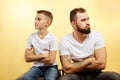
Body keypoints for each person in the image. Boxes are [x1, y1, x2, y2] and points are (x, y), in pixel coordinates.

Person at [58, 7, 110, 80]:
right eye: (83, 20)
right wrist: (88, 60)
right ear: (73, 24)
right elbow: (67, 69)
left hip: (96, 74)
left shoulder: (97, 36)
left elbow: (101, 64)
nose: (88, 22)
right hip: (76, 75)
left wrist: (74, 66)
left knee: (114, 77)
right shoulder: (65, 41)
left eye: (88, 19)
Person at [22, 10, 59, 80]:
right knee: (26, 78)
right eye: (35, 19)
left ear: (47, 23)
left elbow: (51, 60)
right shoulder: (31, 37)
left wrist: (34, 56)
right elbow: (27, 58)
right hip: (36, 67)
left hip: (51, 67)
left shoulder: (52, 38)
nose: (35, 21)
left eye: (39, 19)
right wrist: (42, 55)